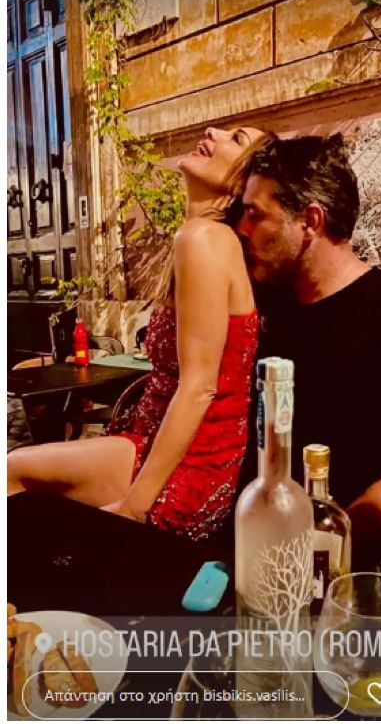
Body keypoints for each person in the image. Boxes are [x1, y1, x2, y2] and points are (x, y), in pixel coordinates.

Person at [8, 126, 269, 540]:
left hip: (187, 467)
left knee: (11, 473)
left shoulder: (203, 238)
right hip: (152, 443)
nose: (212, 131)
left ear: (242, 183)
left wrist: (133, 507)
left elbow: (200, 387)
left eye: (236, 140)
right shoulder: (205, 238)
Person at [235, 134, 381, 570]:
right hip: (255, 545)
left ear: (310, 221)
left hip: (349, 571)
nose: (242, 229)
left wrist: (311, 553)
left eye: (255, 214)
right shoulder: (271, 305)